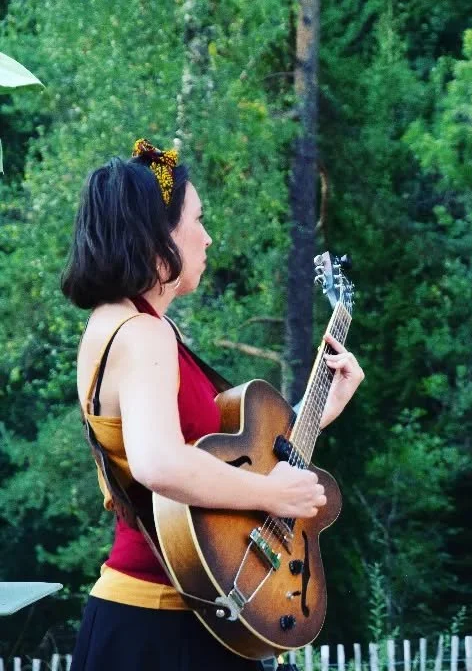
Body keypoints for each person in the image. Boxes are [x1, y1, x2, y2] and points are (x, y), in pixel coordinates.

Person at [62, 139, 366, 670]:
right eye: (197, 220)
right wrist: (270, 493)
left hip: (173, 617)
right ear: (159, 238)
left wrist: (323, 408)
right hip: (163, 624)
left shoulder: (126, 325)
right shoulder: (141, 334)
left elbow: (219, 462)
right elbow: (160, 463)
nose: (207, 237)